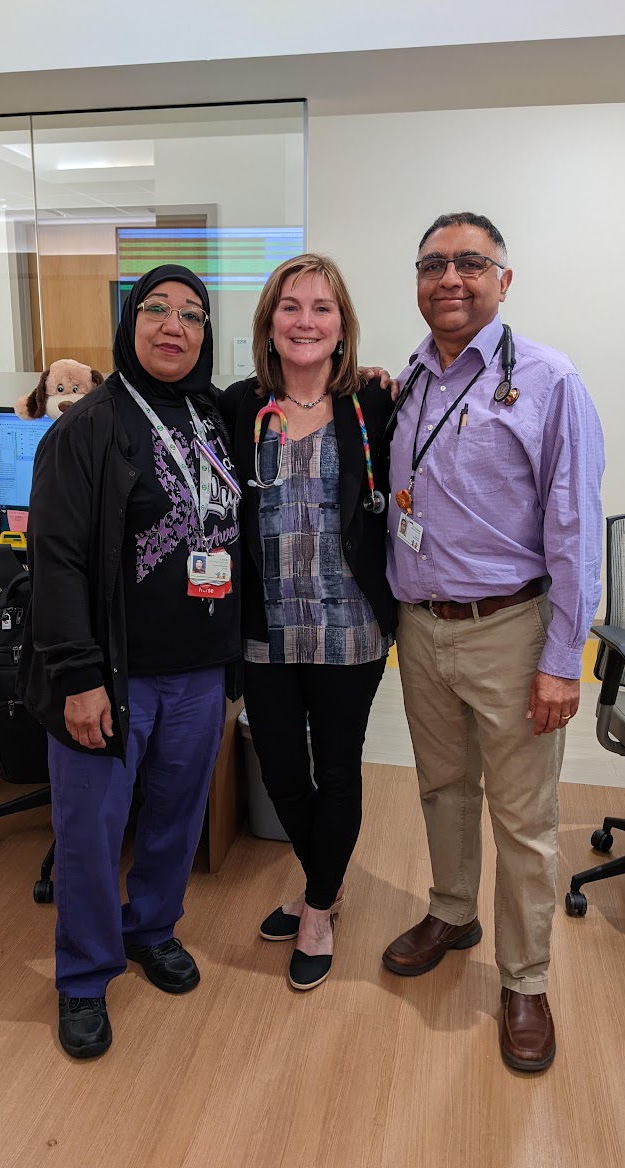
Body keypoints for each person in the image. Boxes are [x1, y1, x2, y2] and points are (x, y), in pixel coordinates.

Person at [380, 213, 604, 1072]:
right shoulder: (409, 381)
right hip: (421, 627)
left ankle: (525, 978)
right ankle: (451, 909)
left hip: (512, 631)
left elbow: (574, 527)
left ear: (503, 279)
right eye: (434, 263)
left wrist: (560, 660)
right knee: (441, 787)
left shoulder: (549, 379)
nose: (451, 278)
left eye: (471, 262)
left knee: (526, 819)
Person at [18, 264, 242, 1059]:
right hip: (110, 676)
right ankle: (82, 976)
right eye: (157, 310)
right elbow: (56, 561)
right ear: (131, 322)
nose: (173, 325)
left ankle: (151, 927)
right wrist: (78, 676)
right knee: (89, 830)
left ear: (206, 332)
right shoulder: (85, 428)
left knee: (176, 820)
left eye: (191, 313)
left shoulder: (214, 417)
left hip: (198, 668)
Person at [221, 253, 396, 991]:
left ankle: (317, 904)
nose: (305, 320)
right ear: (268, 323)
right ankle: (326, 876)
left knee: (338, 770)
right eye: (290, 306)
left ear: (342, 326)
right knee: (284, 774)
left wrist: (390, 377)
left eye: (322, 308)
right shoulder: (235, 407)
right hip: (266, 626)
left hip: (350, 627)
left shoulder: (374, 406)